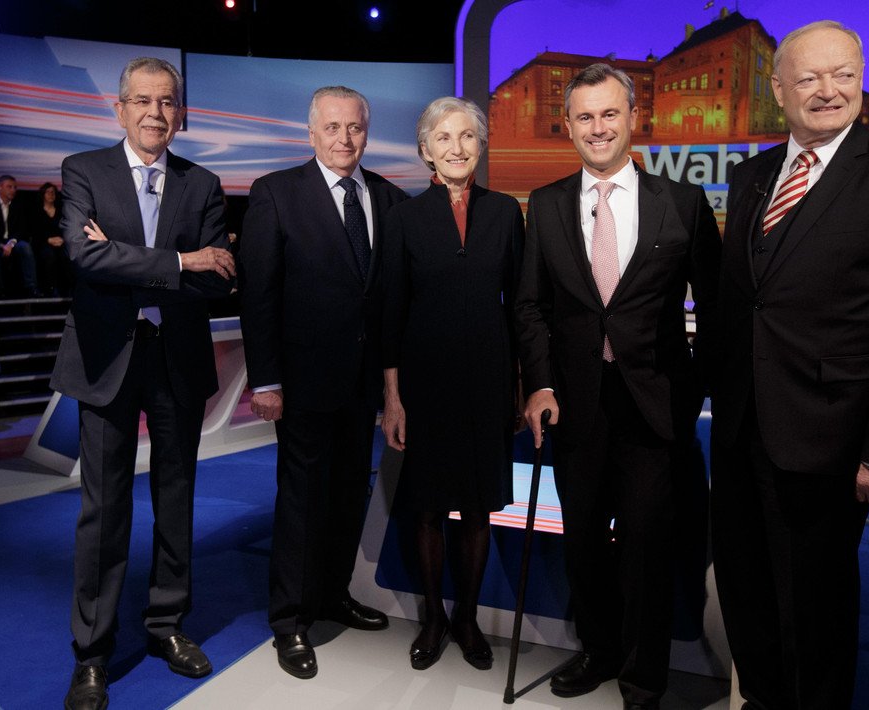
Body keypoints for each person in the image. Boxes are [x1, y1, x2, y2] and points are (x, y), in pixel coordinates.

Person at [710, 20, 869, 710]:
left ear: (862, 81)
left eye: (843, 74)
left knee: (814, 610)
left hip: (829, 441)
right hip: (740, 432)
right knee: (746, 593)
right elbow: (743, 304)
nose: (828, 90)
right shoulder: (752, 175)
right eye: (809, 77)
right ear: (779, 89)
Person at [515, 63, 721, 710]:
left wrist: (692, 394)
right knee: (581, 542)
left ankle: (642, 679)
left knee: (645, 547)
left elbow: (717, 307)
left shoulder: (681, 202)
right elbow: (531, 307)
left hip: (654, 409)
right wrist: (539, 385)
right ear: (568, 125)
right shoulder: (546, 204)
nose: (598, 127)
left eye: (609, 114)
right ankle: (599, 651)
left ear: (634, 118)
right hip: (574, 406)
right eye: (585, 116)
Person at [52, 57, 236, 710]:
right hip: (106, 361)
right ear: (121, 109)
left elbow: (218, 279)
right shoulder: (83, 171)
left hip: (176, 359)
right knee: (103, 511)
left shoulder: (203, 183)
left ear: (180, 114)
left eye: (167, 102)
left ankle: (166, 625)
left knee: (176, 499)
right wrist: (179, 261)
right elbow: (85, 256)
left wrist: (124, 260)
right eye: (143, 101)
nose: (155, 113)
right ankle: (92, 654)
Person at [239, 85, 408, 680]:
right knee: (301, 501)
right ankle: (289, 618)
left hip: (362, 385)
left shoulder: (388, 197)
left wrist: (392, 388)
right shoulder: (275, 193)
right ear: (311, 133)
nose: (344, 138)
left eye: (354, 127)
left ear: (367, 131)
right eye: (332, 127)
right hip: (302, 383)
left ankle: (334, 594)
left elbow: (387, 299)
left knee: (348, 494)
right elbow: (258, 294)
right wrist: (266, 381)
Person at [380, 97, 524, 672]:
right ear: (426, 151)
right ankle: (434, 619)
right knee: (428, 509)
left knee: (479, 509)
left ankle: (466, 617)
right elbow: (390, 313)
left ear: (481, 146)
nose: (457, 147)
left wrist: (522, 385)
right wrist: (393, 397)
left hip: (489, 382)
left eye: (467, 136)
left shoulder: (506, 213)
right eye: (443, 138)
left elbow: (521, 306)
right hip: (425, 386)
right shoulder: (404, 219)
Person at [0, 174, 41, 297]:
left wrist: (11, 243)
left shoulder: (18, 205)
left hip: (13, 241)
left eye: (14, 187)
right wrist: (1, 245)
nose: (13, 190)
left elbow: (22, 229)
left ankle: (31, 287)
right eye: (9, 187)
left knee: (25, 247)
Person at [31, 182, 74, 296]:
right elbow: (34, 232)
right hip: (43, 242)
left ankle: (67, 288)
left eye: (53, 192)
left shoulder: (61, 211)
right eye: (48, 192)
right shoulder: (36, 211)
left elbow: (67, 228)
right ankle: (50, 288)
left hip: (61, 242)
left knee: (67, 255)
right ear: (43, 194)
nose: (51, 194)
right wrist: (48, 240)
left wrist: (63, 239)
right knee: (49, 255)